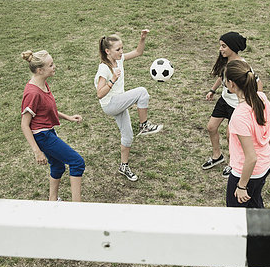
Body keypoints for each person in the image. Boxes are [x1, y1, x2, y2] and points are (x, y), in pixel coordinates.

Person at [95, 30, 163, 182]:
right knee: (142, 92)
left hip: (118, 102)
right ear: (108, 51)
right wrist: (112, 80)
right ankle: (144, 125)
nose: (121, 52)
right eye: (118, 49)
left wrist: (142, 38)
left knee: (128, 136)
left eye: (122, 48)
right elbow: (100, 94)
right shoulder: (104, 68)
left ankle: (123, 166)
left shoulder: (119, 60)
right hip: (110, 104)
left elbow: (138, 52)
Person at [20, 50, 85, 202]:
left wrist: (67, 117)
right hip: (43, 136)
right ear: (40, 70)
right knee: (77, 162)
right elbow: (24, 124)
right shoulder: (32, 93)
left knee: (58, 166)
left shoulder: (42, 84)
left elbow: (46, 109)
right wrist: (37, 151)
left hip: (49, 132)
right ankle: (78, 206)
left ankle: (52, 201)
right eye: (51, 65)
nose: (54, 67)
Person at [203, 31, 262, 177]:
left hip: (237, 106)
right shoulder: (225, 61)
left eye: (223, 46)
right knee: (211, 127)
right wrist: (213, 90)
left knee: (232, 137)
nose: (220, 49)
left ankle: (232, 164)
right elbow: (221, 77)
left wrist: (255, 101)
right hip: (224, 101)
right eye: (220, 46)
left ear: (233, 47)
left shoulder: (243, 65)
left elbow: (258, 83)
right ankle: (217, 156)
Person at [224, 60, 270, 208]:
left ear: (231, 84)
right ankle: (262, 231)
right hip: (265, 165)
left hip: (247, 174)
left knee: (236, 217)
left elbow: (251, 158)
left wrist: (241, 186)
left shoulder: (239, 116)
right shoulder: (262, 97)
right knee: (255, 206)